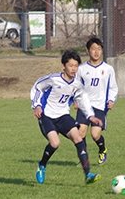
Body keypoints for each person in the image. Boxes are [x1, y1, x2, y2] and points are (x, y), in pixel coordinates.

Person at [30, 50, 103, 185]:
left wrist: (91, 116)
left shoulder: (77, 84)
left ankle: (88, 174)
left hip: (63, 116)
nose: (73, 69)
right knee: (55, 143)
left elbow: (83, 100)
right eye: (71, 65)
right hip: (47, 116)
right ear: (64, 66)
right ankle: (42, 165)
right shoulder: (53, 79)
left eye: (76, 66)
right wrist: (37, 105)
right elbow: (37, 87)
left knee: (78, 138)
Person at [74, 37, 118, 165]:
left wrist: (111, 100)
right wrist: (76, 100)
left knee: (95, 134)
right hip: (84, 106)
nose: (96, 52)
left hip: (99, 106)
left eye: (99, 49)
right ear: (88, 50)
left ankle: (102, 149)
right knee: (80, 132)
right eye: (93, 49)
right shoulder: (81, 69)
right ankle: (84, 159)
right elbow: (76, 86)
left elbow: (113, 87)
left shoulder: (108, 69)